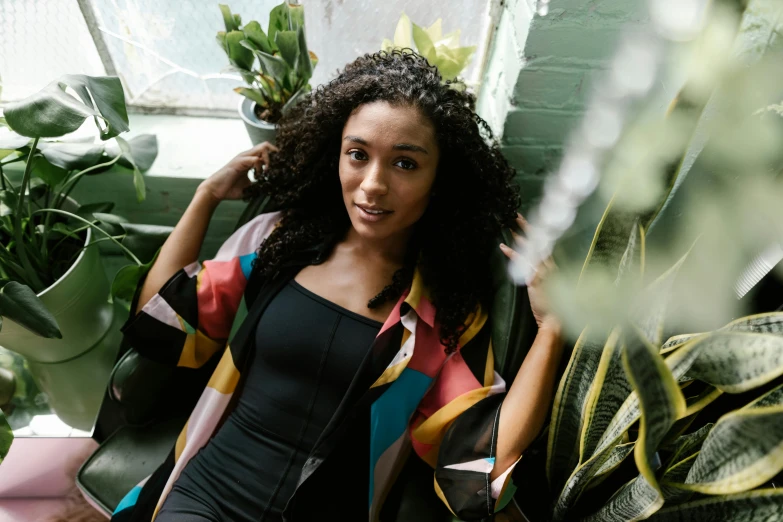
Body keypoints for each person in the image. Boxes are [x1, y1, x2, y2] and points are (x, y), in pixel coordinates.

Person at [112, 50, 564, 522]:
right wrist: (204, 198)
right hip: (206, 496)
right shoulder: (277, 248)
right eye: (358, 155)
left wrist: (550, 326)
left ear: (439, 180)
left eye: (405, 164)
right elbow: (162, 321)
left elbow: (476, 464)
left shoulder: (443, 317)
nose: (372, 185)